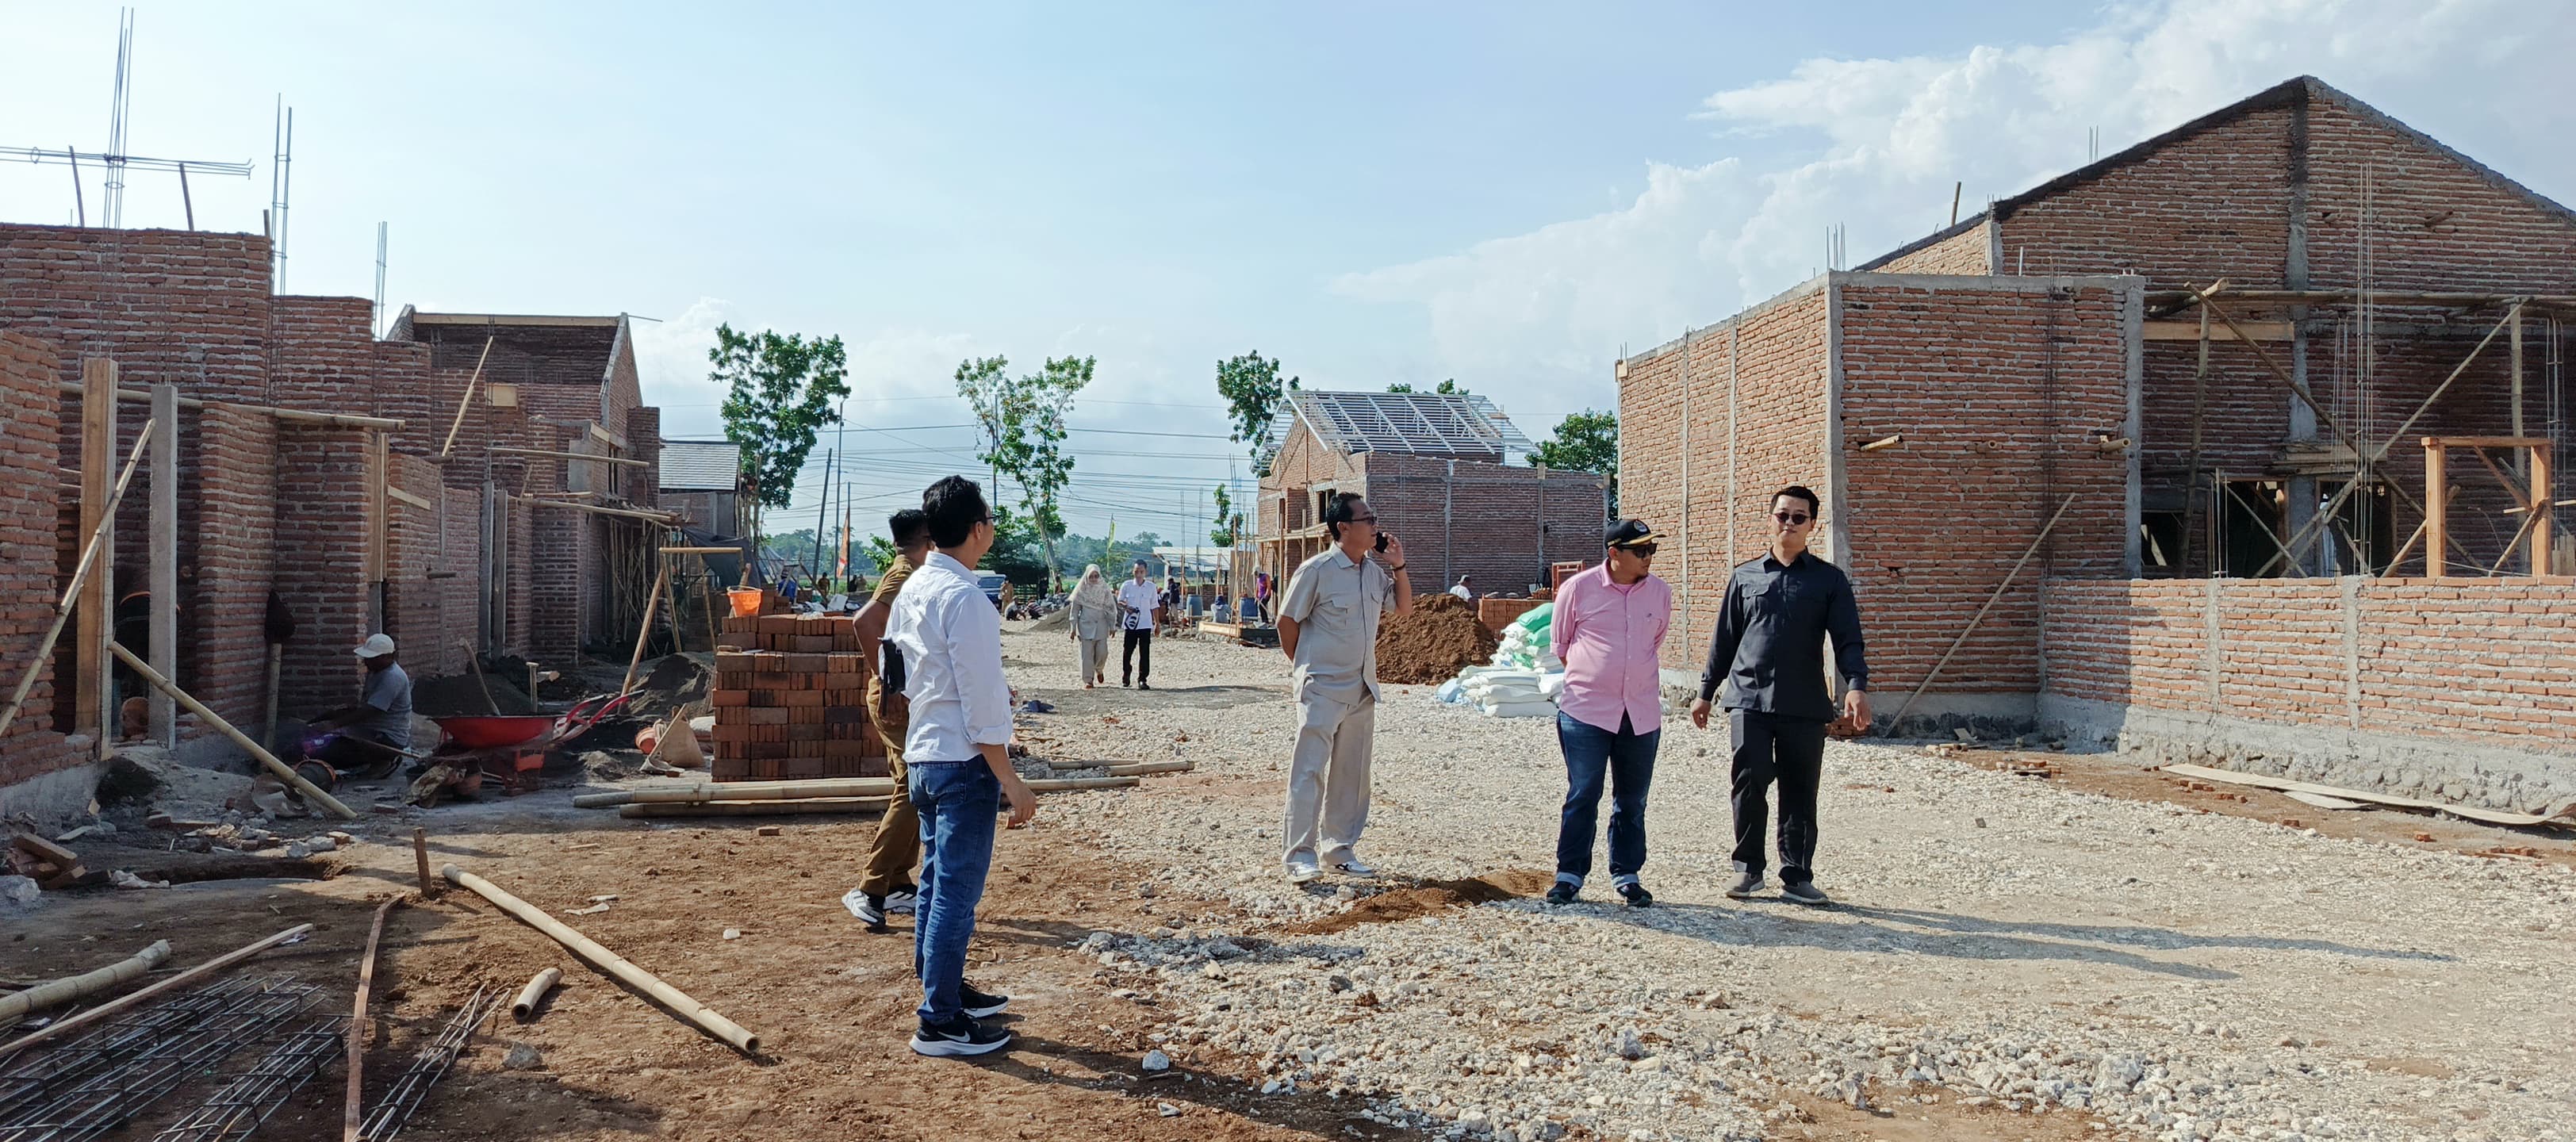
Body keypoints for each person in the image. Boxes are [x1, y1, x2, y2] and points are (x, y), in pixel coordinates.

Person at [888, 477, 1037, 1057]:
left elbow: (897, 668)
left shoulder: (917, 586)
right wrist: (1010, 779)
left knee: (934, 883)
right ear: (978, 529)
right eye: (991, 519)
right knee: (954, 893)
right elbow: (980, 702)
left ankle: (943, 988)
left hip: (925, 753)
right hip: (962, 761)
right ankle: (940, 1020)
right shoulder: (967, 598)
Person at [1689, 485, 1869, 906]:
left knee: (1800, 790)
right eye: (1782, 515)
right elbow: (1724, 640)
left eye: (1799, 518)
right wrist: (1705, 693)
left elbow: (1848, 640)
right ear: (1770, 519)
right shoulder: (1745, 576)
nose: (1789, 523)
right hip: (1748, 700)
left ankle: (1797, 875)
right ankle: (1748, 870)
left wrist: (1856, 686)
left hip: (1804, 703)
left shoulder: (1829, 581)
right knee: (1748, 783)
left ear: (1812, 525)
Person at [1275, 492, 1411, 883]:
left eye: (1374, 518)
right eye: (1367, 519)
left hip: (1362, 688)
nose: (1375, 526)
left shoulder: (1372, 572)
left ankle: (1339, 850)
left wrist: (1398, 565)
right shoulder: (1316, 570)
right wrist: (1305, 670)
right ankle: (1299, 856)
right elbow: (1287, 624)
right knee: (1309, 772)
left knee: (1352, 776)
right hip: (1322, 687)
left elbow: (1402, 609)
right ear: (1343, 528)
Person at [1543, 521, 1672, 908]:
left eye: (1652, 550)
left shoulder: (1660, 592)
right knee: (1584, 794)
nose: (1649, 557)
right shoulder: (1577, 589)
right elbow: (1563, 646)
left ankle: (1627, 875)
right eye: (1641, 551)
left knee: (1633, 800)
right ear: (1614, 554)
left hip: (1641, 714)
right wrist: (1600, 676)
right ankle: (1569, 876)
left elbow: (1656, 640)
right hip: (1587, 713)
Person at [846, 509, 934, 927]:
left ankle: (898, 881)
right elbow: (864, 623)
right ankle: (870, 888)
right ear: (927, 538)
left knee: (913, 787)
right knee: (913, 788)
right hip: (893, 701)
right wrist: (888, 684)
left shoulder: (907, 570)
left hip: (898, 698)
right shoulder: (905, 576)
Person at [298, 634, 413, 778]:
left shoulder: (393, 677)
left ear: (388, 657)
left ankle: (383, 760)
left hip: (385, 739)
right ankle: (377, 761)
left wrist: (334, 724)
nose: (366, 662)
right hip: (369, 732)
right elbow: (365, 705)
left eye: (372, 658)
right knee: (315, 747)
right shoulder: (376, 672)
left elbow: (372, 710)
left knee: (323, 753)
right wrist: (336, 714)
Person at [1069, 564, 1116, 689]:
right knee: (1087, 655)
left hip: (1101, 625)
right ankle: (1088, 680)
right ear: (1087, 577)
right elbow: (1074, 611)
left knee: (1102, 652)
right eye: (1091, 577)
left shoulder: (1104, 590)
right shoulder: (1080, 591)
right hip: (1085, 626)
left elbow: (1110, 608)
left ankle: (1099, 670)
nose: (1094, 579)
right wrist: (1073, 628)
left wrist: (1112, 625)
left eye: (1096, 576)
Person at [1116, 561, 1160, 689]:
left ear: (1145, 572)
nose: (1139, 574)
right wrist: (1126, 606)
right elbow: (1120, 600)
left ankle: (1142, 679)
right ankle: (1126, 673)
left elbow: (1154, 606)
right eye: (1136, 571)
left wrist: (1157, 623)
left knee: (1144, 652)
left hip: (1145, 624)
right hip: (1131, 624)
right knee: (1128, 651)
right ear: (1133, 572)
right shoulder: (1127, 585)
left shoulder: (1151, 587)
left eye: (1141, 571)